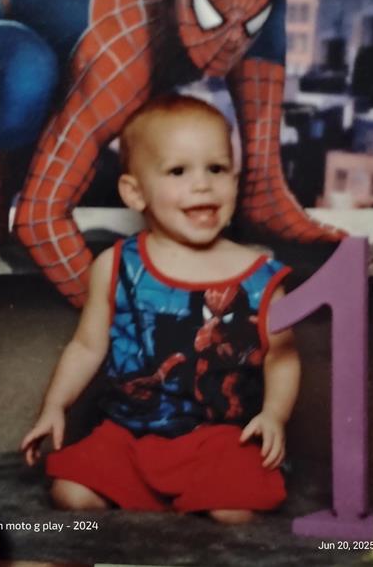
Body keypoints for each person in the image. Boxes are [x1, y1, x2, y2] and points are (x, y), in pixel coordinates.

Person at [20, 94, 301, 524]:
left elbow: (282, 357)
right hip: (127, 435)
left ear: (235, 178)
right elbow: (86, 347)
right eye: (178, 171)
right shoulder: (116, 265)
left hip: (220, 438)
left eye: (216, 168)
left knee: (235, 511)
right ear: (135, 192)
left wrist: (274, 415)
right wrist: (54, 406)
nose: (202, 184)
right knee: (72, 494)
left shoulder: (259, 276)